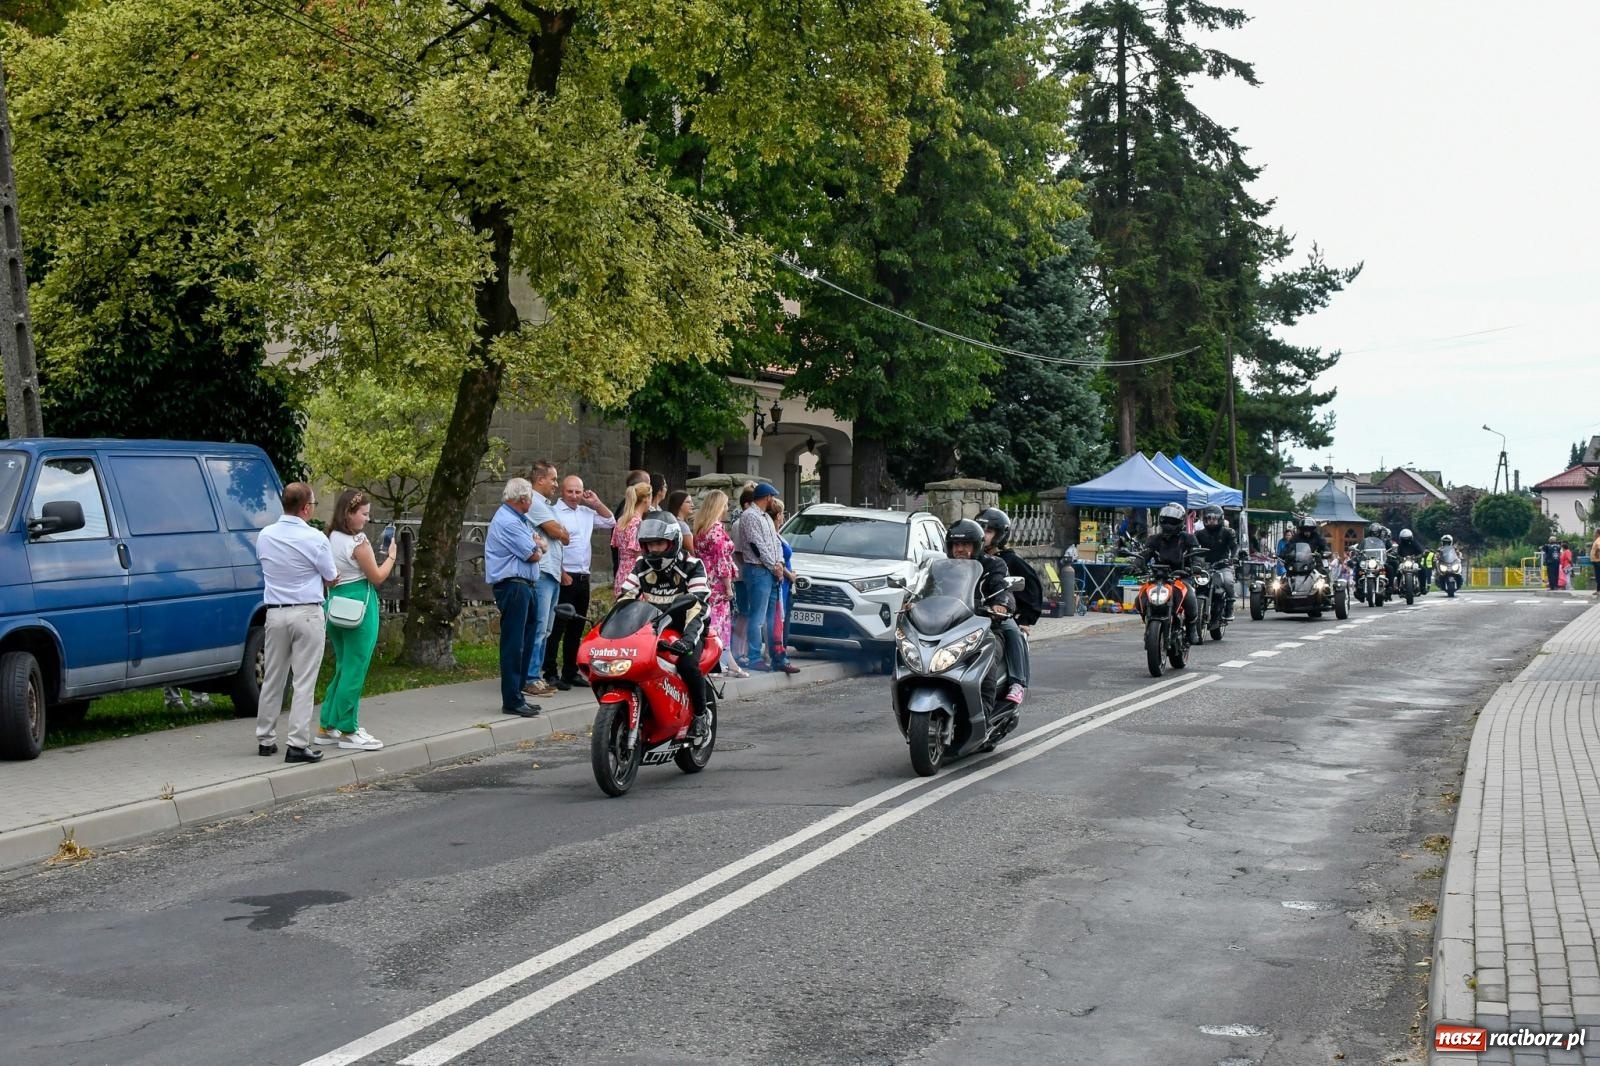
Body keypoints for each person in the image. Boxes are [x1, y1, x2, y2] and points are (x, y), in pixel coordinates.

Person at [254, 482, 338, 762]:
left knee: (273, 677)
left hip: (275, 612)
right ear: (305, 508)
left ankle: (265, 739)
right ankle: (297, 743)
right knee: (304, 680)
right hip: (307, 612)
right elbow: (330, 574)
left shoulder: (265, 536)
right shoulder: (315, 538)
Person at [615, 510, 713, 739]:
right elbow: (625, 598)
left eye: (660, 543)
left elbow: (697, 606)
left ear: (673, 542)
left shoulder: (692, 565)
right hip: (654, 628)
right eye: (649, 545)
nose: (654, 549)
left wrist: (687, 640)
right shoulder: (641, 565)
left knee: (688, 665)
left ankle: (700, 715)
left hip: (687, 627)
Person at [316, 488, 400, 750]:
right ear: (349, 514)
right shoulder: (358, 544)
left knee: (343, 665)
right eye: (363, 514)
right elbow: (376, 576)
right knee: (356, 668)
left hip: (336, 603)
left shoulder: (331, 537)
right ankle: (348, 729)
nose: (366, 519)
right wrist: (392, 557)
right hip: (360, 607)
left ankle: (327, 724)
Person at [544, 474, 615, 690]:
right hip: (565, 574)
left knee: (576, 627)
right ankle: (549, 672)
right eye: (570, 491)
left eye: (577, 492)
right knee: (557, 626)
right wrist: (561, 571)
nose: (574, 496)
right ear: (562, 492)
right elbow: (551, 545)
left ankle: (570, 671)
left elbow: (610, 520)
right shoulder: (554, 512)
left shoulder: (586, 512)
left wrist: (596, 502)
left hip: (584, 576)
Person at [945, 518, 1027, 707]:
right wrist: (913, 603)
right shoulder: (941, 566)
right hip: (950, 626)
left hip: (984, 623)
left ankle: (989, 705)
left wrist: (1001, 604)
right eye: (956, 544)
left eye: (966, 544)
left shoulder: (994, 565)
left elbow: (1002, 587)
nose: (960, 549)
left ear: (977, 546)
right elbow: (928, 588)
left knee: (993, 650)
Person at [486, 477, 546, 718]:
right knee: (514, 644)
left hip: (527, 585)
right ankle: (511, 699)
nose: (531, 501)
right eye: (530, 497)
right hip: (514, 586)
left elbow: (542, 546)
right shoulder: (508, 522)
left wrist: (538, 546)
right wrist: (538, 546)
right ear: (523, 499)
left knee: (527, 641)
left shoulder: (520, 520)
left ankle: (519, 694)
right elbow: (533, 554)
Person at [974, 508, 1037, 704]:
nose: (983, 535)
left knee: (1013, 633)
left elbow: (1031, 588)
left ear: (1000, 535)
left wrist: (1023, 618)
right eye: (980, 530)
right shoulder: (968, 558)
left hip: (997, 613)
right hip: (967, 611)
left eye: (989, 531)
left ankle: (1018, 682)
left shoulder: (1007, 560)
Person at [519, 461, 570, 699]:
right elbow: (556, 532)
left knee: (547, 629)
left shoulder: (546, 504)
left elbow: (564, 536)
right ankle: (530, 677)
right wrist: (559, 531)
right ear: (540, 479)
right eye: (553, 479)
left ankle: (535, 675)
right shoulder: (535, 502)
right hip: (541, 572)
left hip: (552, 572)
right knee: (538, 628)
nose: (556, 484)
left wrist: (560, 532)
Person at [693, 490, 748, 678]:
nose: (727, 508)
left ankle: (726, 662)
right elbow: (721, 562)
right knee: (719, 623)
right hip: (717, 582)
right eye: (724, 505)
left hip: (704, 577)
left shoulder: (701, 528)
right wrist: (728, 586)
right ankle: (716, 662)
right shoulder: (716, 530)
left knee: (713, 621)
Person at [734, 482, 787, 673]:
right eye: (772, 497)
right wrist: (774, 566)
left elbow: (775, 542)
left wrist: (779, 563)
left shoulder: (765, 517)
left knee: (771, 616)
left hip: (771, 570)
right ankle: (755, 656)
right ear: (767, 497)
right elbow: (757, 546)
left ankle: (775, 654)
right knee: (757, 616)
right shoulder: (750, 516)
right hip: (757, 570)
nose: (773, 501)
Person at [1140, 502, 1202, 645]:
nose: (1168, 524)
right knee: (1141, 596)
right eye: (1166, 521)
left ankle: (1192, 627)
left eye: (1172, 521)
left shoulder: (1188, 538)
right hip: (1158, 578)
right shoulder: (1154, 539)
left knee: (1190, 595)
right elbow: (1145, 554)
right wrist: (1135, 564)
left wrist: (1196, 566)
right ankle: (1149, 623)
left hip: (1181, 576)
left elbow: (1197, 555)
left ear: (1180, 522)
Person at [765, 498, 800, 675]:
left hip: (786, 582)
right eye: (782, 514)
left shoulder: (777, 534)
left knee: (782, 619)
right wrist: (790, 575)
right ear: (778, 515)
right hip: (782, 581)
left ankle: (781, 653)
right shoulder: (772, 535)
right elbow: (776, 558)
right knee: (777, 619)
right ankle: (777, 655)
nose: (783, 517)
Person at [1193, 504, 1239, 622]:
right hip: (1204, 567)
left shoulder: (1228, 532)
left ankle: (1229, 606)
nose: (1211, 521)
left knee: (1228, 582)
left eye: (1214, 518)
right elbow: (1193, 549)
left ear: (1220, 519)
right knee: (1192, 585)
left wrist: (1234, 557)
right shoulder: (1199, 534)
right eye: (1208, 518)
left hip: (1222, 565)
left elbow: (1234, 547)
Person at [611, 481, 652, 599]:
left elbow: (618, 547)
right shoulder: (638, 524)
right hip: (635, 576)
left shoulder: (621, 521)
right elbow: (639, 555)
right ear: (646, 499)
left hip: (621, 573)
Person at [1590, 529, 1600, 596]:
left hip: (1598, 561)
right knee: (1598, 575)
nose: (1594, 534)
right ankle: (1598, 590)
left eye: (1595, 533)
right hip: (1596, 561)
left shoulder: (1598, 540)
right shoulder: (1597, 539)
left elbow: (1599, 548)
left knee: (1598, 575)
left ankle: (1598, 590)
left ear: (1598, 533)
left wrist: (1597, 556)